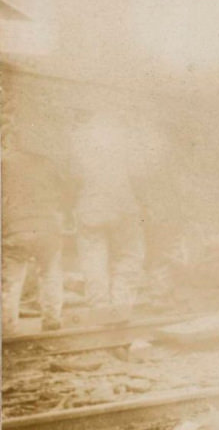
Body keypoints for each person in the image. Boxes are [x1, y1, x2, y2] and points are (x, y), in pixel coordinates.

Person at [69, 111, 145, 314]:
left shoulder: (80, 145)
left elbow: (72, 177)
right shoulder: (124, 143)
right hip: (123, 205)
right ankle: (122, 305)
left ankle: (99, 307)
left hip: (91, 206)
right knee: (129, 254)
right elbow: (140, 174)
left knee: (93, 257)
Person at [1, 115, 69, 332]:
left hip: (16, 228)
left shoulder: (5, 163)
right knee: (50, 273)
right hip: (48, 227)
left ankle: (7, 327)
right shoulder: (48, 164)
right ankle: (52, 320)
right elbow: (63, 192)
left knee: (11, 279)